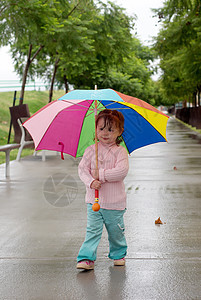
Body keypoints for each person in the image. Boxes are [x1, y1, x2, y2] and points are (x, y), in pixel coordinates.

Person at [77, 109, 129, 270]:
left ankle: (118, 253)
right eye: (101, 129)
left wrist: (102, 175)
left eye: (110, 129)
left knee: (115, 231)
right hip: (93, 201)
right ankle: (86, 258)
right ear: (95, 129)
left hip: (114, 202)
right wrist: (91, 181)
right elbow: (82, 170)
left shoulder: (120, 151)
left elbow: (122, 171)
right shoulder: (91, 150)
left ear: (120, 131)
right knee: (92, 230)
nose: (105, 133)